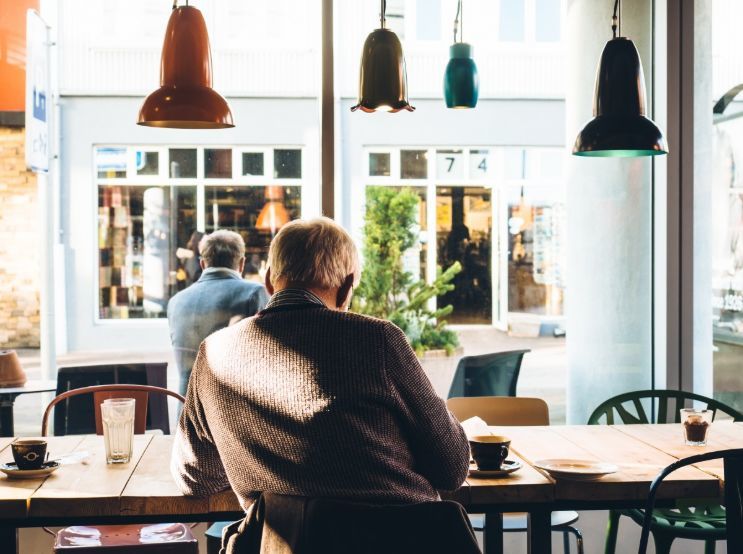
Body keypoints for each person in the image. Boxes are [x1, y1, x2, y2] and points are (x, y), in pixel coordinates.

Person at [171, 217, 469, 510]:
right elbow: (452, 467)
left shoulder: (214, 353)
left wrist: (256, 458)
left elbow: (194, 477)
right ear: (347, 286)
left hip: (283, 544)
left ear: (269, 281)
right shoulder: (378, 340)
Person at [167, 229, 269, 396]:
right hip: (231, 412)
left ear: (202, 264)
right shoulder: (254, 293)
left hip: (186, 412)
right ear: (242, 263)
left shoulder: (176, 301)